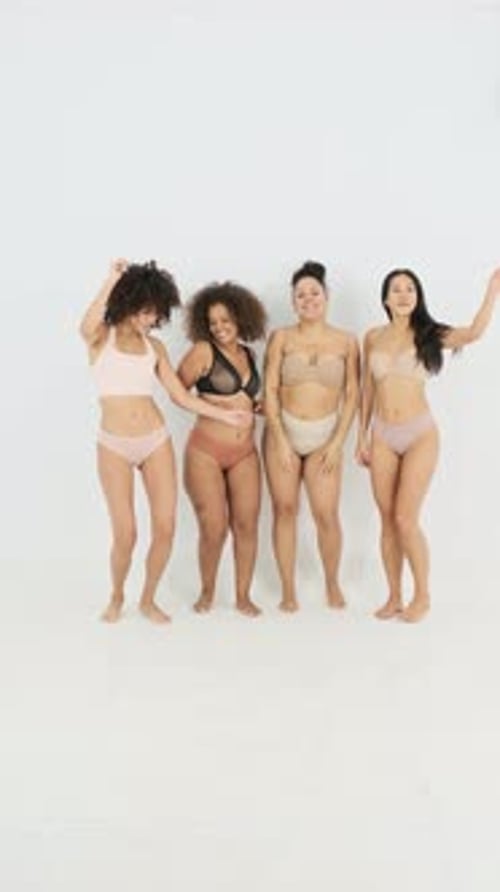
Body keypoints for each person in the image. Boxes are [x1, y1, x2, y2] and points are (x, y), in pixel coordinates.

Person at [79, 260, 252, 625]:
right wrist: (112, 279)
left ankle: (148, 599)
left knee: (166, 527)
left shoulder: (154, 347)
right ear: (128, 302)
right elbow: (86, 324)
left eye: (155, 314)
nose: (151, 320)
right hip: (114, 445)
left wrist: (224, 415)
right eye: (146, 312)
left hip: (155, 440)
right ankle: (117, 594)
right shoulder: (101, 338)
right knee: (126, 533)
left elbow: (180, 395)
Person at [356, 267, 500, 622]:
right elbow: (367, 390)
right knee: (387, 520)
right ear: (385, 299)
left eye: (410, 289)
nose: (404, 294)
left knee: (405, 519)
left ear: (418, 297)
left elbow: (474, 332)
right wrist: (361, 436)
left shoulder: (429, 333)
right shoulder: (372, 337)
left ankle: (422, 596)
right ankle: (394, 597)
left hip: (419, 434)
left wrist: (493, 290)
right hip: (382, 435)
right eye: (396, 289)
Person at [263, 260, 360, 612]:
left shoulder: (347, 341)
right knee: (284, 509)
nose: (308, 299)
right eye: (300, 295)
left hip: (325, 436)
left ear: (326, 295)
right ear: (293, 302)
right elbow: (269, 389)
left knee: (326, 514)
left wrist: (336, 443)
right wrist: (280, 439)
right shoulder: (281, 337)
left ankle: (332, 583)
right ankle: (288, 590)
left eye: (314, 292)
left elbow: (353, 394)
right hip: (283, 432)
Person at [177, 282, 267, 616]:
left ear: (241, 318)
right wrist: (218, 412)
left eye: (225, 320)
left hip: (245, 453)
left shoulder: (249, 354)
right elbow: (178, 393)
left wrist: (256, 407)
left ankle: (243, 596)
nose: (219, 327)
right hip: (206, 452)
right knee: (214, 528)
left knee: (247, 525)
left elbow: (243, 398)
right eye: (213, 322)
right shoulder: (203, 351)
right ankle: (207, 592)